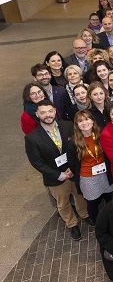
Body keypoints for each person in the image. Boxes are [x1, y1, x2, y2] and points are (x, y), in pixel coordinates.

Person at [25, 100, 90, 241]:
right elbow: (36, 162)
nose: (47, 115)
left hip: (73, 171)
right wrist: (58, 175)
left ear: (55, 111)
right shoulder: (32, 137)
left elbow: (78, 146)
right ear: (37, 114)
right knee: (63, 202)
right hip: (55, 178)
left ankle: (85, 215)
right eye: (43, 112)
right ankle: (72, 224)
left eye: (50, 111)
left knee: (80, 195)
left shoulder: (67, 125)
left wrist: (73, 168)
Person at [68, 110, 113, 224]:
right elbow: (72, 163)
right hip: (88, 177)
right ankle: (97, 222)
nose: (84, 123)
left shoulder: (102, 133)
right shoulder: (73, 142)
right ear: (77, 125)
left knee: (110, 198)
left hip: (105, 173)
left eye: (87, 119)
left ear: (93, 121)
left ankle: (111, 218)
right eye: (80, 121)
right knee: (92, 203)